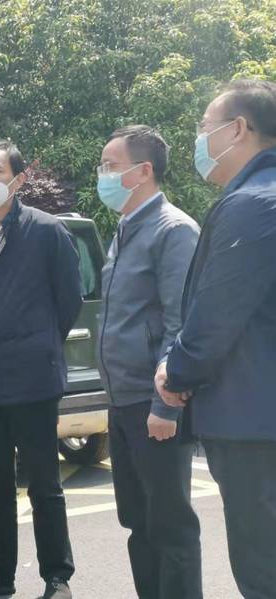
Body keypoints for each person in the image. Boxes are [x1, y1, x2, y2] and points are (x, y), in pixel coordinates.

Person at [155, 79, 276, 599]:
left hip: (254, 423)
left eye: (205, 126)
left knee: (263, 568)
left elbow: (215, 316)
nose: (200, 138)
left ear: (238, 129)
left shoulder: (252, 204)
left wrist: (175, 373)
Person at [0, 140, 83, 599]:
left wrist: (39, 342)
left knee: (44, 484)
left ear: (19, 180)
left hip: (34, 379)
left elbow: (69, 300)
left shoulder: (47, 231)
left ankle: (56, 577)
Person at [96, 125, 202, 598]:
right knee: (138, 523)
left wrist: (166, 405)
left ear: (143, 172)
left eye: (110, 166)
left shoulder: (173, 230)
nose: (102, 175)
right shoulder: (124, 230)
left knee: (170, 526)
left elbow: (182, 324)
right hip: (122, 401)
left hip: (154, 402)